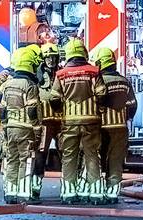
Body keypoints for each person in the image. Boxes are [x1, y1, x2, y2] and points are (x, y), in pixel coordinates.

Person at [52, 39, 104, 204]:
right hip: (91, 121)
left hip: (70, 122)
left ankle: (69, 193)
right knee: (91, 155)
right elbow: (102, 93)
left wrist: (62, 110)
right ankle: (95, 193)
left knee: (69, 156)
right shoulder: (94, 71)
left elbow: (54, 98)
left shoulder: (60, 74)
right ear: (84, 53)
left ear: (68, 55)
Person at [92, 47, 136, 204]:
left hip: (101, 128)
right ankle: (112, 194)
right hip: (120, 128)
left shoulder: (98, 82)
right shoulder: (124, 82)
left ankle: (98, 191)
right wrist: (126, 118)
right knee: (116, 161)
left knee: (98, 160)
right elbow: (132, 105)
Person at [0, 45, 42, 203]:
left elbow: (2, 109)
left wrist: (5, 127)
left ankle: (10, 194)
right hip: (25, 129)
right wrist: (37, 130)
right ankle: (24, 194)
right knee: (26, 160)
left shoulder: (8, 85)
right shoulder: (29, 86)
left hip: (10, 128)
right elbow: (32, 110)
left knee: (12, 159)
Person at [31, 38, 63, 202]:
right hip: (43, 123)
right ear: (43, 59)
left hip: (61, 121)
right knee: (40, 155)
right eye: (48, 57)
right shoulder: (36, 77)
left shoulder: (62, 74)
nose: (51, 60)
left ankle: (68, 189)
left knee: (67, 154)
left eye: (54, 57)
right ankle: (35, 188)